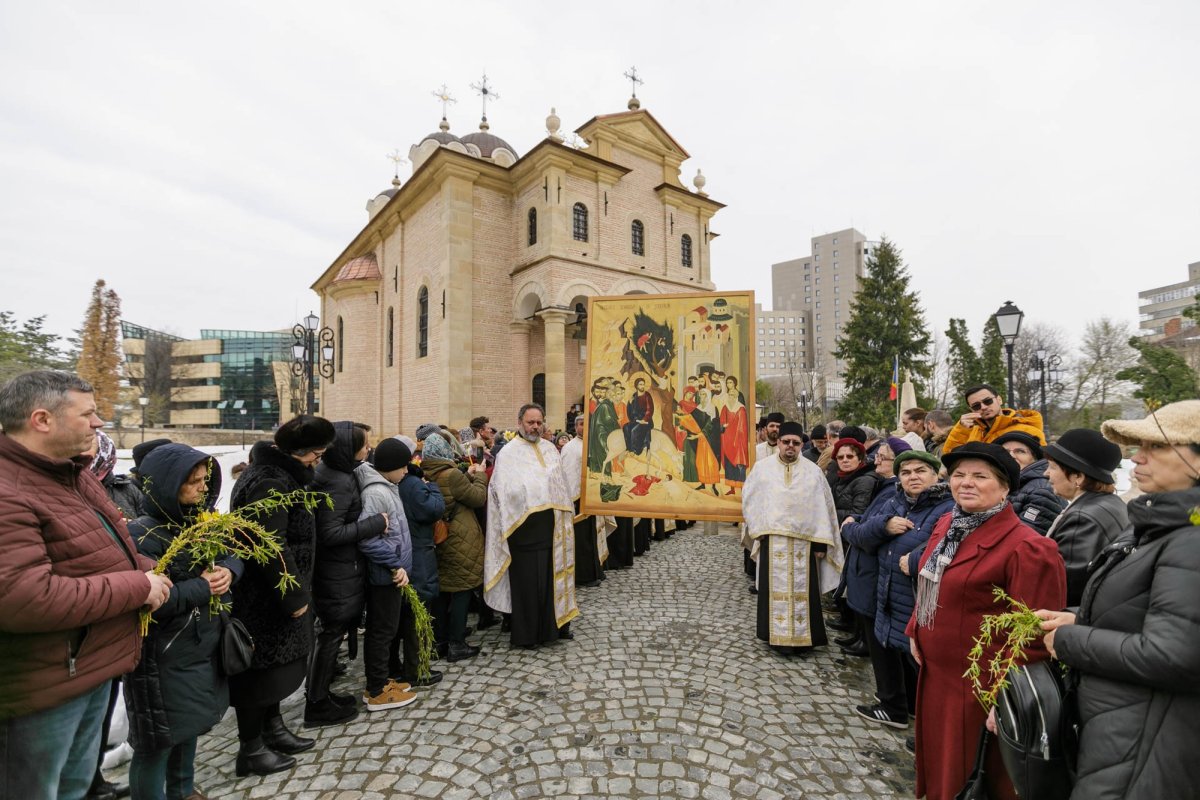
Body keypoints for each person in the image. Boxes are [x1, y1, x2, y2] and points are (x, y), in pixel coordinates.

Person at [0, 371, 169, 800]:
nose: (98, 422)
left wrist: (151, 570)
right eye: (87, 413)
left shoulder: (71, 474)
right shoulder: (9, 489)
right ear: (42, 419)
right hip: (43, 687)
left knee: (75, 787)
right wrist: (138, 587)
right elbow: (24, 599)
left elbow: (102, 549)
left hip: (87, 667)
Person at [1034, 401, 1200, 799]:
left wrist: (1070, 640)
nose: (1137, 457)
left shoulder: (1190, 539)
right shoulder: (1156, 524)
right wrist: (1078, 619)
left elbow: (1173, 655)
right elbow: (1141, 613)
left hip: (1145, 741)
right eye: (1139, 446)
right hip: (1118, 725)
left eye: (1157, 447)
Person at [907, 442, 1065, 800]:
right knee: (938, 769)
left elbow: (1033, 634)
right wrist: (915, 627)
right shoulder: (950, 524)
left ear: (1005, 487)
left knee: (967, 777)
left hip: (980, 689)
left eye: (980, 476)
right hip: (937, 677)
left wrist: (1005, 698)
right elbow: (931, 581)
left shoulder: (1028, 547)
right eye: (959, 475)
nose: (966, 483)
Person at [125, 444, 241, 800]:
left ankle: (183, 791)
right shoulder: (141, 535)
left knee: (187, 728)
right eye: (193, 482)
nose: (202, 489)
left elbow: (232, 553)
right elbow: (148, 601)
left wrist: (229, 571)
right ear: (167, 484)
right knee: (157, 742)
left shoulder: (200, 522)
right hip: (161, 655)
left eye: (205, 480)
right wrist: (202, 587)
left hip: (196, 647)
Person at [228, 415, 335, 777]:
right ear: (299, 452)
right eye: (316, 454)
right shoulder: (271, 482)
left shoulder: (279, 474)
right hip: (265, 597)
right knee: (259, 673)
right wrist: (294, 596)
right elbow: (270, 547)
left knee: (272, 670)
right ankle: (251, 748)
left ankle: (273, 729)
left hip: (274, 594)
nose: (318, 460)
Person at [855, 450, 953, 729]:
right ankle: (899, 706)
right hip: (888, 589)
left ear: (936, 475)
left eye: (920, 471)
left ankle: (920, 720)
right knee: (892, 648)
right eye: (906, 472)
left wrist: (914, 559)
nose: (913, 477)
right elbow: (862, 531)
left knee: (919, 659)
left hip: (918, 596)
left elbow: (945, 549)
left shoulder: (948, 508)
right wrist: (884, 526)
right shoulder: (896, 501)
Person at [305, 422, 387, 728]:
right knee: (331, 633)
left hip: (338, 568)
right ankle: (317, 703)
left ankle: (320, 694)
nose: (368, 449)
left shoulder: (334, 473)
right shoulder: (337, 481)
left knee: (331, 632)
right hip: (337, 569)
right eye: (364, 444)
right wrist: (376, 523)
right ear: (346, 448)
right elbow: (331, 532)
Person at [484, 403, 579, 648]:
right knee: (527, 585)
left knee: (550, 582)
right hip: (522, 532)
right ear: (520, 423)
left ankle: (553, 629)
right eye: (530, 422)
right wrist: (530, 498)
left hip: (551, 531)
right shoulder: (508, 453)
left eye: (539, 422)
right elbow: (503, 492)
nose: (535, 427)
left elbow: (560, 484)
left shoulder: (550, 449)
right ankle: (527, 635)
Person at [743, 421, 843, 653]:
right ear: (778, 442)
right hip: (772, 540)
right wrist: (758, 529)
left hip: (804, 544)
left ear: (801, 445)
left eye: (795, 443)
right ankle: (773, 636)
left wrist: (820, 544)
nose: (790, 446)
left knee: (805, 592)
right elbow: (750, 500)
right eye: (786, 441)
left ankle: (804, 639)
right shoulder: (762, 469)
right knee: (772, 590)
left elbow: (823, 509)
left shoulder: (813, 472)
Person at [354, 438, 419, 712]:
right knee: (381, 632)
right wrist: (395, 564)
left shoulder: (388, 486)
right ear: (390, 466)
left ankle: (381, 681)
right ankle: (377, 690)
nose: (406, 471)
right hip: (384, 575)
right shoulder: (376, 493)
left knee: (387, 630)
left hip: (392, 571)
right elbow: (367, 539)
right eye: (403, 466)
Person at [1041, 428, 1128, 606]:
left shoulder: (1082, 519)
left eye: (1053, 467)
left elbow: (1065, 589)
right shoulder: (1111, 503)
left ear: (1078, 477)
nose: (1046, 473)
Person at [421, 429, 488, 662]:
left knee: (443, 592)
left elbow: (453, 493)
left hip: (441, 540)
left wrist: (466, 475)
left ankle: (440, 640)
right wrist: (480, 476)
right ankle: (457, 643)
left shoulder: (428, 473)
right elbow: (477, 498)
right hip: (459, 539)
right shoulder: (451, 474)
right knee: (462, 590)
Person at [836, 438, 906, 659]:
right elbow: (868, 516)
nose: (876, 461)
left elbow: (870, 529)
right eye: (877, 456)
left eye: (882, 458)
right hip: (863, 557)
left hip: (871, 557)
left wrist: (850, 526)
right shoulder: (884, 484)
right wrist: (857, 519)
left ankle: (865, 643)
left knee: (870, 609)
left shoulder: (892, 491)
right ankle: (860, 637)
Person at [393, 435, 446, 685]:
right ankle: (416, 669)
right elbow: (433, 509)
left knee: (404, 613)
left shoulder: (393, 482)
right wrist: (432, 487)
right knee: (419, 610)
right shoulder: (413, 483)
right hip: (418, 549)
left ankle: (398, 666)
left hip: (404, 550)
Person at [560, 415, 606, 587]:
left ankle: (595, 570)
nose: (583, 427)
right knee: (581, 539)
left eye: (586, 424)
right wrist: (572, 498)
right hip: (577, 499)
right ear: (575, 427)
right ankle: (583, 576)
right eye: (580, 424)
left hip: (591, 496)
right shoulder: (570, 448)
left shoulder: (593, 444)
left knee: (591, 536)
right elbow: (568, 473)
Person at [942, 383, 1045, 454]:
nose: (983, 407)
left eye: (988, 401)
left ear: (999, 400)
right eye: (976, 406)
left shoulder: (1027, 429)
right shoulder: (972, 431)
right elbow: (949, 456)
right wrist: (961, 429)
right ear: (971, 409)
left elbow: (1041, 464)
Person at [994, 430, 1064, 535]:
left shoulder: (1041, 490)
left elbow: (1024, 537)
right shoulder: (1002, 484)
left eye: (1020, 451)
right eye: (1005, 451)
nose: (1011, 455)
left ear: (1035, 458)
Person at [719, 376, 750, 495]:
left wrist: (737, 439)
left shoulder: (741, 409)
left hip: (738, 441)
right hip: (727, 440)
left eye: (733, 395)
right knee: (729, 466)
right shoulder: (725, 407)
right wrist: (723, 426)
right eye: (729, 395)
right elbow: (721, 421)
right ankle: (732, 489)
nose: (731, 397)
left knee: (739, 465)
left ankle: (742, 489)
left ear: (736, 396)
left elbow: (742, 427)